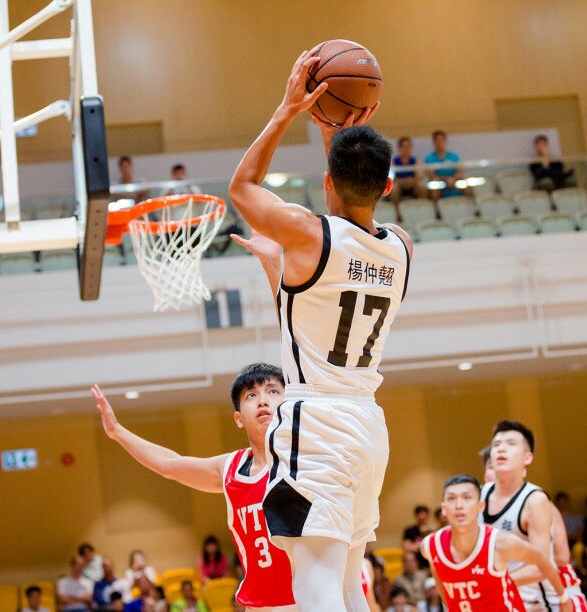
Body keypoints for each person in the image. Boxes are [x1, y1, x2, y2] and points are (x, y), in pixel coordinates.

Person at [227, 47, 410, 612]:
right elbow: (325, 295)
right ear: (386, 187)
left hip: (319, 423)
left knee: (313, 576)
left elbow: (243, 187)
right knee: (350, 578)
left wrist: (289, 109)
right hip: (366, 427)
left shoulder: (310, 236)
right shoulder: (401, 247)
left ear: (326, 180)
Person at [94, 363, 296, 611]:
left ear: (289, 406)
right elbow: (169, 464)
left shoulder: (306, 460)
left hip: (306, 599)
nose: (263, 400)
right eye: (251, 395)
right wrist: (116, 431)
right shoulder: (230, 469)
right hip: (258, 605)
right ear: (238, 418)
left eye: (273, 391)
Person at [421, 474, 572, 611]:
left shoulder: (500, 543)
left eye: (467, 498)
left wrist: (563, 598)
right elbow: (440, 579)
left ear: (481, 506)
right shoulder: (430, 546)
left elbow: (541, 559)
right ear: (443, 509)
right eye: (451, 498)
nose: (459, 505)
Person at [480, 420, 579, 611]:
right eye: (496, 444)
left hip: (541, 603)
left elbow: (545, 565)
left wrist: (490, 583)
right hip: (505, 599)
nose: (501, 449)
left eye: (510, 444)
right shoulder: (479, 496)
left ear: (527, 458)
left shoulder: (535, 501)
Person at [424, 130, 464, 201]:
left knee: (468, 185)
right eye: (437, 141)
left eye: (441, 140)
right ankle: (437, 210)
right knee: (434, 185)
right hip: (439, 182)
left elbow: (460, 172)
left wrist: (453, 179)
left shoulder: (454, 156)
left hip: (454, 181)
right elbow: (431, 175)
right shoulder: (429, 158)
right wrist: (445, 180)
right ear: (434, 142)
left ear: (445, 141)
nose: (439, 143)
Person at [389, 136, 426, 204]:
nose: (406, 149)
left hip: (413, 185)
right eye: (404, 147)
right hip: (399, 185)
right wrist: (401, 181)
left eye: (408, 147)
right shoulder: (394, 162)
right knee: (394, 188)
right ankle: (396, 212)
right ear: (399, 148)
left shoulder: (416, 161)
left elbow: (420, 176)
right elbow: (391, 178)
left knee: (422, 186)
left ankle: (421, 207)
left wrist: (412, 181)